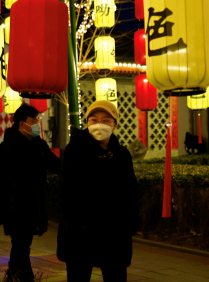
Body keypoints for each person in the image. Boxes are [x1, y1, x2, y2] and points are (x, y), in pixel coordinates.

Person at [57, 101, 139, 282]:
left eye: (106, 120)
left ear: (115, 125)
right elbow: (66, 192)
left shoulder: (122, 154)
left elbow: (130, 193)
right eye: (93, 120)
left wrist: (129, 225)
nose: (99, 124)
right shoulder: (75, 151)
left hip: (115, 235)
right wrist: (76, 226)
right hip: (81, 235)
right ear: (87, 123)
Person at [0, 103, 61, 282]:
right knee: (22, 245)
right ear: (22, 124)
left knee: (21, 244)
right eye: (34, 120)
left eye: (38, 119)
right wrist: (0, 210)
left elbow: (58, 166)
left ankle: (12, 274)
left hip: (34, 204)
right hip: (15, 207)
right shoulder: (7, 148)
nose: (37, 123)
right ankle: (24, 277)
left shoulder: (39, 145)